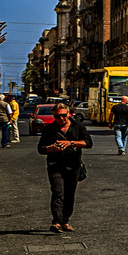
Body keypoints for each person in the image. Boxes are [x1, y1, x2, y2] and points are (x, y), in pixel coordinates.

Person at [37, 100, 92, 233]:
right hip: (55, 165)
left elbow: (88, 143)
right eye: (57, 116)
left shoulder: (78, 127)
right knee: (57, 192)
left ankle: (65, 221)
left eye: (63, 115)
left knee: (70, 194)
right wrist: (52, 148)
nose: (60, 118)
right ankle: (56, 221)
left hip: (73, 165)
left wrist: (71, 143)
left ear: (68, 113)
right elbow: (41, 148)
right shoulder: (49, 129)